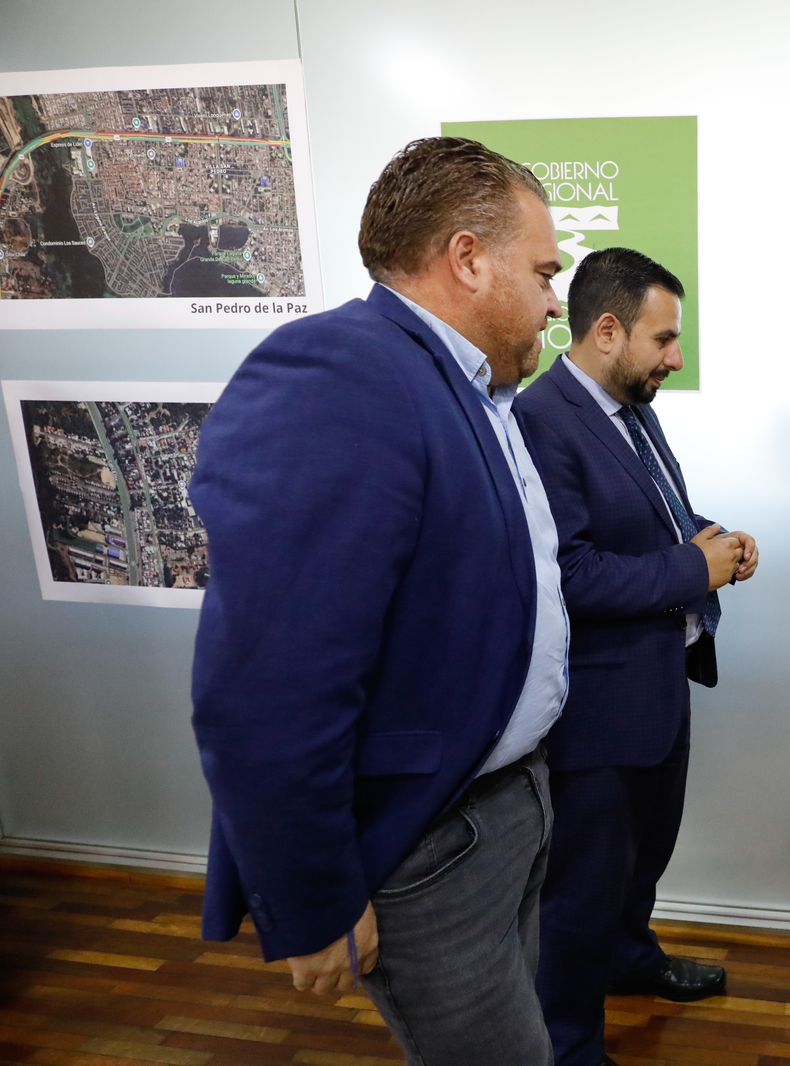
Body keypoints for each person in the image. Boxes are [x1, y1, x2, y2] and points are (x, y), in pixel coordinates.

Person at [189, 136, 569, 1065]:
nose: (556, 302)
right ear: (469, 259)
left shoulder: (469, 390)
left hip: (507, 805)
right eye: (543, 273)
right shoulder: (342, 374)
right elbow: (270, 679)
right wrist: (314, 896)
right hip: (428, 841)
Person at [513, 247, 756, 1066]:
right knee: (580, 895)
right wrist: (693, 568)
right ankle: (571, 1047)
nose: (676, 358)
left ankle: (628, 962)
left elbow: (654, 519)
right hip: (597, 712)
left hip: (656, 690)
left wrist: (713, 540)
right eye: (665, 338)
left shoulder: (631, 406)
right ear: (609, 331)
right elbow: (570, 573)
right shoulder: (543, 421)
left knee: (640, 863)